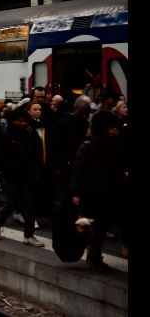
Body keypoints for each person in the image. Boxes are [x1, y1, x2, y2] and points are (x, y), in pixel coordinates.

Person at [70, 110, 124, 272]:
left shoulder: (112, 144)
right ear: (105, 128)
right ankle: (94, 257)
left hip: (107, 192)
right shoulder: (88, 146)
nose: (115, 130)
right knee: (96, 227)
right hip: (92, 194)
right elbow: (78, 171)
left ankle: (94, 255)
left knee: (101, 225)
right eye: (113, 127)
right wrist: (76, 193)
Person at [0, 109, 44, 246]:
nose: (22, 123)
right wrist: (7, 171)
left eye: (24, 120)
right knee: (11, 203)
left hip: (28, 174)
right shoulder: (6, 135)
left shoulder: (30, 133)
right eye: (19, 120)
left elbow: (38, 151)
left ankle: (29, 235)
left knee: (30, 204)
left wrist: (36, 169)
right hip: (11, 176)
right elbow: (0, 157)